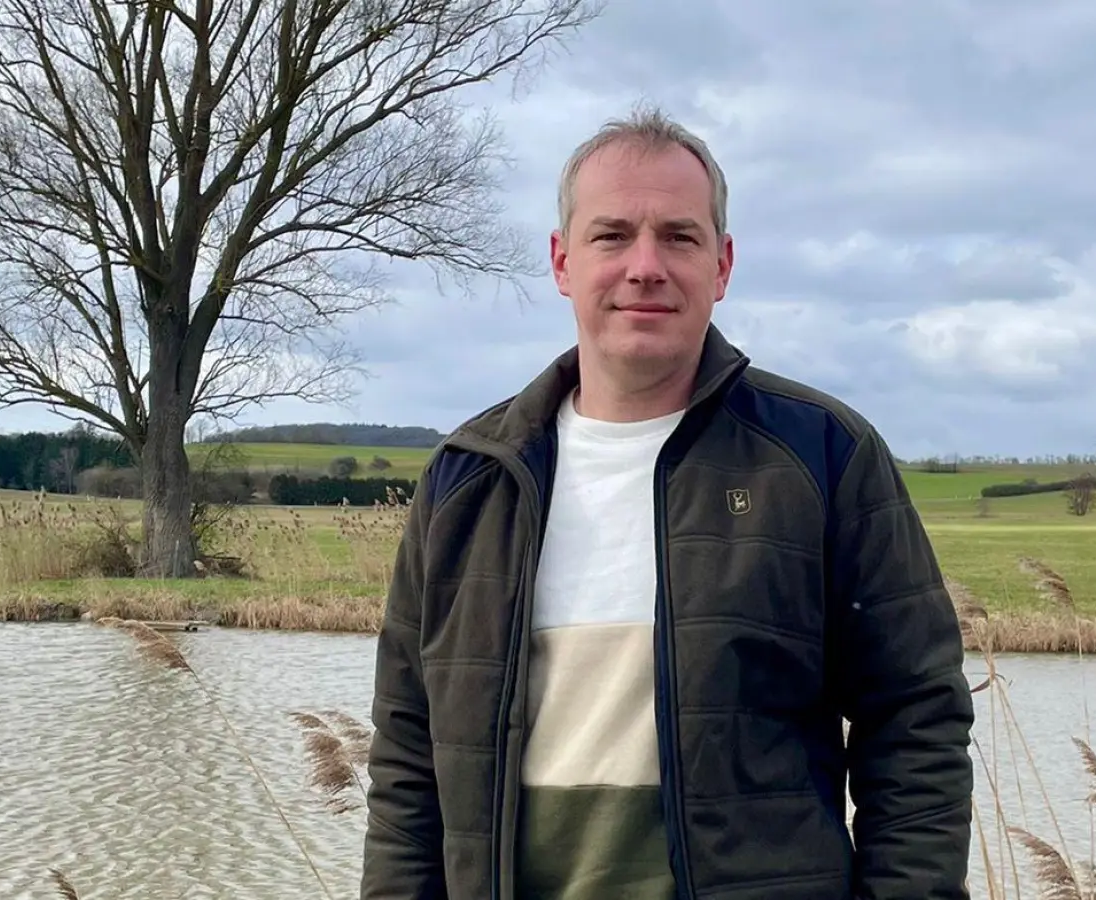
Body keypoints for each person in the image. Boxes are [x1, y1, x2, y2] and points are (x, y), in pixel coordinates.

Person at [362, 106, 974, 900]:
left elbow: (916, 723)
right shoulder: (467, 481)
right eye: (612, 236)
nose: (644, 265)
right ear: (561, 261)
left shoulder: (825, 457)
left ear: (722, 265)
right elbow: (409, 756)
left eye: (678, 237)